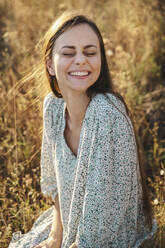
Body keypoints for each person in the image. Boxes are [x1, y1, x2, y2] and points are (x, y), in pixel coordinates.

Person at [9, 11, 157, 248]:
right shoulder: (53, 108)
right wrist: (54, 239)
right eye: (68, 53)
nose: (80, 60)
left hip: (109, 239)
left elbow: (99, 230)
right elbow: (57, 190)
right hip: (69, 226)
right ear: (49, 65)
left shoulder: (107, 114)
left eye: (90, 52)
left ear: (100, 60)